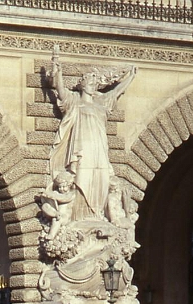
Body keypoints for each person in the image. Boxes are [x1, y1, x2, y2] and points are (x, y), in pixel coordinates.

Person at [47, 45, 136, 222]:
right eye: (89, 84)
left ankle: (98, 214)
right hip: (82, 147)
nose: (92, 86)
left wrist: (131, 76)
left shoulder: (102, 102)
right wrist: (58, 71)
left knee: (101, 177)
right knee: (82, 175)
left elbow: (117, 91)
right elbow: (61, 90)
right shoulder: (74, 101)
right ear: (82, 86)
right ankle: (80, 216)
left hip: (99, 146)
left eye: (94, 84)